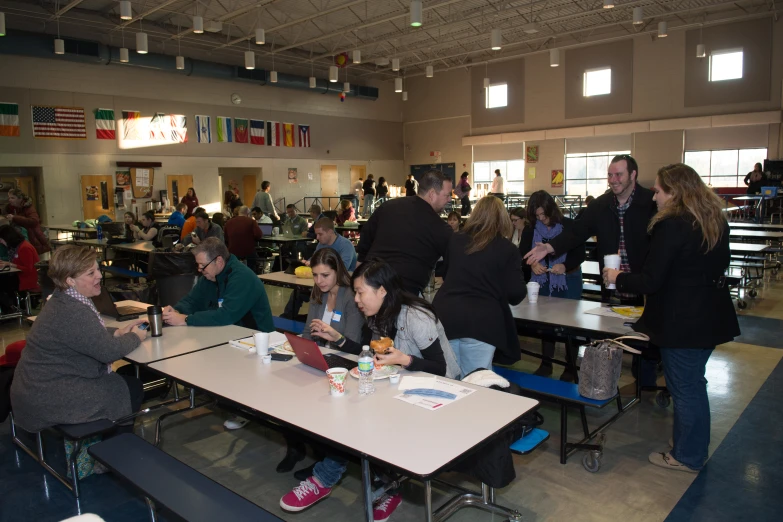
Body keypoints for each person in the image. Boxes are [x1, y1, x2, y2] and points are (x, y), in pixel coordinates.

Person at [279, 258, 459, 516]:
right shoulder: (379, 315)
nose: (357, 300)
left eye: (361, 292)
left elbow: (441, 369)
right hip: (401, 389)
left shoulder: (417, 317)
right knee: (352, 416)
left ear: (382, 291)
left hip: (439, 394)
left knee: (364, 422)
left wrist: (404, 359)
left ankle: (345, 482)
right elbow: (369, 354)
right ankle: (381, 485)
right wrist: (339, 339)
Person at [603, 163, 740, 473]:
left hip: (683, 323)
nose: (655, 198)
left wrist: (618, 277)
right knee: (693, 384)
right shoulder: (714, 220)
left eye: (659, 191)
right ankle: (688, 444)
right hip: (712, 316)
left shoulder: (672, 225)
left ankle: (688, 455)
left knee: (686, 389)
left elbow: (651, 280)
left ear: (676, 193)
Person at [10, 245, 146, 434]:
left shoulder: (62, 299)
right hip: (52, 396)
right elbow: (109, 352)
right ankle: (112, 449)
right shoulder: (73, 311)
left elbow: (81, 334)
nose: (99, 275)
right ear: (70, 280)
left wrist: (115, 333)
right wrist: (135, 336)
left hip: (37, 389)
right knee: (129, 388)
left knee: (126, 383)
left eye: (97, 269)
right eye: (91, 273)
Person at [162, 237, 275, 431]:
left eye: (202, 266)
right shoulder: (211, 276)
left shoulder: (242, 278)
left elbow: (227, 315)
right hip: (226, 334)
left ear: (219, 261)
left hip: (253, 339)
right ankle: (220, 395)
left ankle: (245, 408)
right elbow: (192, 300)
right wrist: (175, 311)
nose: (200, 270)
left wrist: (186, 319)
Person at [524, 155, 656, 306]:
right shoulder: (600, 206)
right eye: (610, 175)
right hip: (611, 289)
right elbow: (577, 232)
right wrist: (549, 247)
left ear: (633, 175)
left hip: (646, 291)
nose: (613, 180)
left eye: (619, 174)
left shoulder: (651, 203)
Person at [279, 247, 364, 476]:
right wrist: (303, 349)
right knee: (286, 393)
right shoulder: (318, 294)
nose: (319, 281)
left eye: (325, 275)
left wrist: (330, 336)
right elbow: (308, 330)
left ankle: (323, 460)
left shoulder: (351, 297)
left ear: (337, 271)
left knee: (315, 404)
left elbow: (353, 343)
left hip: (343, 363)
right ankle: (296, 448)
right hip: (320, 359)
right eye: (315, 275)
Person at [433, 197, 525, 376]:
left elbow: (447, 273)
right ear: (502, 218)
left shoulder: (455, 240)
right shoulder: (506, 248)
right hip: (481, 321)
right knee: (477, 381)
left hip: (445, 315)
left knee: (448, 379)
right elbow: (516, 293)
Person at [520, 191, 585, 379]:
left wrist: (565, 265)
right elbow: (522, 254)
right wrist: (532, 263)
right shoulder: (530, 230)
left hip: (568, 280)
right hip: (544, 282)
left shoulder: (570, 226)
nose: (541, 219)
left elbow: (580, 254)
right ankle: (546, 364)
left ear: (552, 210)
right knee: (546, 324)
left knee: (571, 324)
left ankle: (570, 367)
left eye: (544, 215)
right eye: (537, 216)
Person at [357, 170, 453, 294]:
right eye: (447, 195)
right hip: (402, 297)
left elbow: (364, 241)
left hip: (368, 287)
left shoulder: (388, 207)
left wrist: (358, 284)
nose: (449, 199)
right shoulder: (440, 228)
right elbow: (454, 265)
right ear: (432, 194)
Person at [282, 218, 357, 320]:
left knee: (314, 294)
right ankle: (287, 318)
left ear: (330, 232)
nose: (317, 237)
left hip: (341, 286)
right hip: (324, 282)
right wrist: (307, 262)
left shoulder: (345, 245)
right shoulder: (321, 244)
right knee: (298, 292)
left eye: (320, 234)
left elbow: (343, 268)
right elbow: (314, 259)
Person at [0, 225, 40, 314]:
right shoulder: (18, 247)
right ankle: (10, 308)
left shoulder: (25, 248)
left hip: (28, 279)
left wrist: (10, 264)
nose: (1, 242)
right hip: (21, 276)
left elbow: (28, 269)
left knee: (3, 284)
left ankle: (10, 308)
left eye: (1, 239)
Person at [5, 188, 49, 255]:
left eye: (12, 198)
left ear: (20, 199)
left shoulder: (28, 208)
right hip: (24, 239)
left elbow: (34, 221)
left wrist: (15, 218)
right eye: (9, 198)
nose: (10, 200)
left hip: (34, 239)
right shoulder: (13, 208)